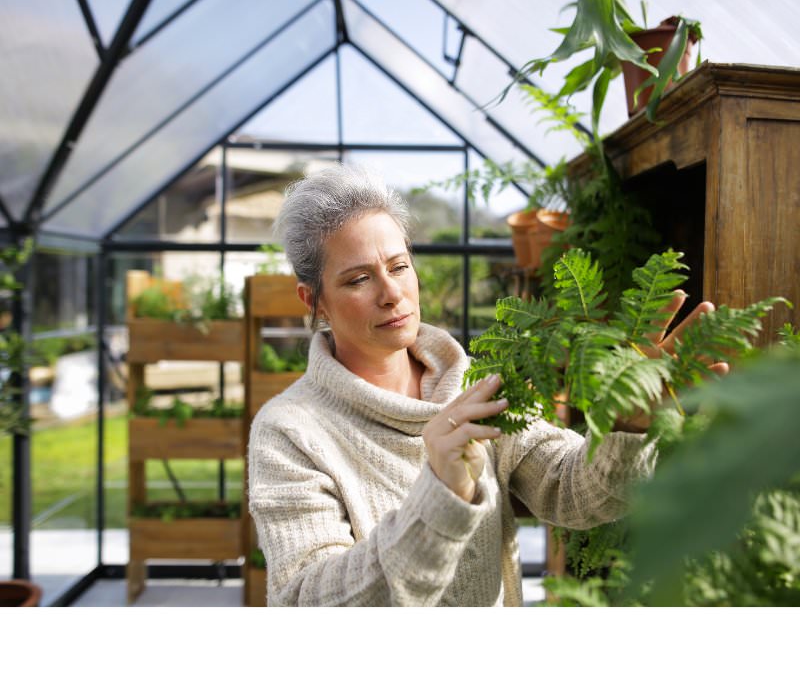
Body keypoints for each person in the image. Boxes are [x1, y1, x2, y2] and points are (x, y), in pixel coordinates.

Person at [248, 164, 723, 607]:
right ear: (315, 302)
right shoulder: (290, 432)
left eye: (398, 266)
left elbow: (572, 490)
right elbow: (306, 602)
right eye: (357, 279)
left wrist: (629, 423)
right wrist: (442, 495)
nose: (391, 293)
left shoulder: (476, 386)